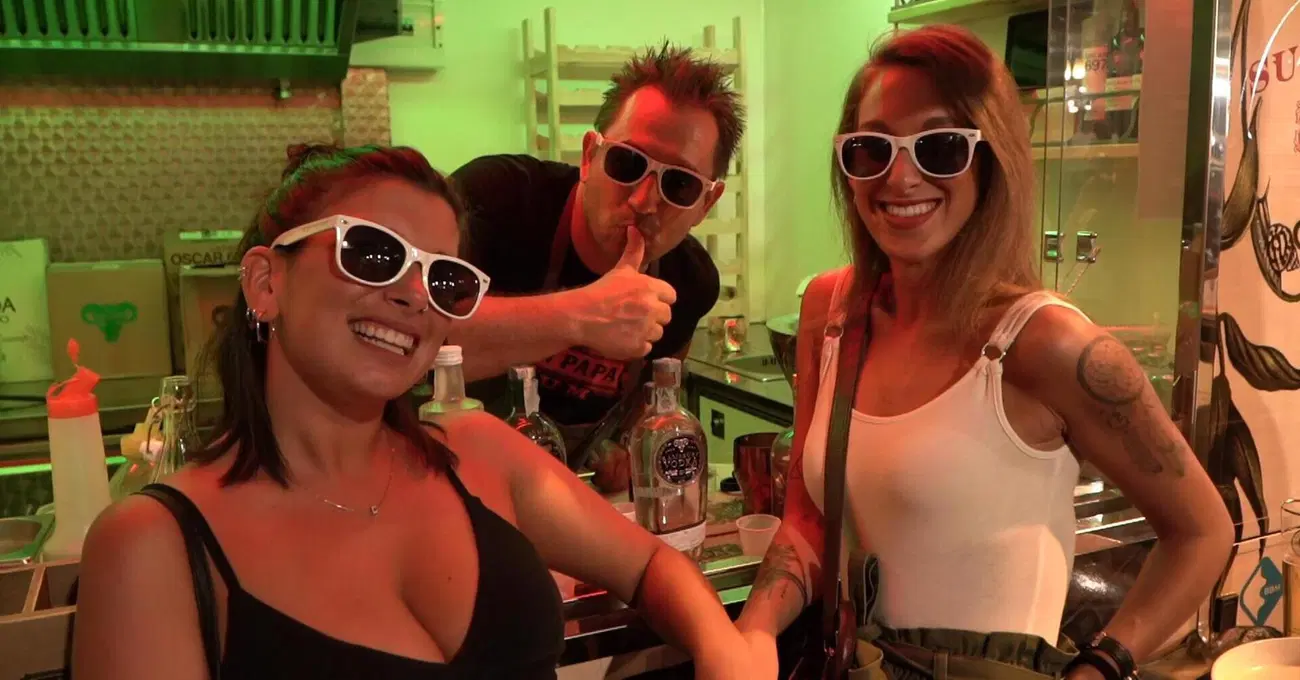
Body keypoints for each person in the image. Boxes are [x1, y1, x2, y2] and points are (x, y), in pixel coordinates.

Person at [71, 144, 754, 680]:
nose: (413, 295)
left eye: (443, 278)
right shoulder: (153, 545)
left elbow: (654, 566)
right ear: (265, 282)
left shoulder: (477, 451)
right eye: (372, 254)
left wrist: (724, 651)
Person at [736, 25, 1233, 680]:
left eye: (940, 147)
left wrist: (1101, 667)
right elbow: (808, 516)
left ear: (990, 161)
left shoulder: (1047, 344)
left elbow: (1203, 532)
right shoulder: (830, 311)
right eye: (872, 148)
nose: (900, 177)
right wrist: (752, 631)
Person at [448, 42, 745, 452]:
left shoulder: (691, 282)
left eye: (679, 184)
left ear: (706, 204)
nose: (643, 200)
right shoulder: (495, 199)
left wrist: (623, 449)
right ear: (589, 157)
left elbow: (649, 406)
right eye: (628, 163)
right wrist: (582, 315)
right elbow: (418, 342)